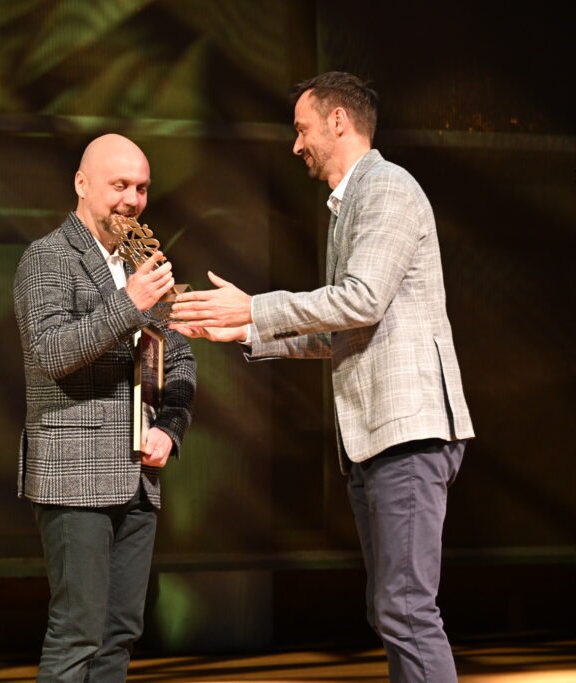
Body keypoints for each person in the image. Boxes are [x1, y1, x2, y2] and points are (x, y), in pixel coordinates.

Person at [170, 72, 474, 682]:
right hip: (378, 439)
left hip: (407, 432)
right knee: (391, 611)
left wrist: (254, 307)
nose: (296, 145)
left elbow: (360, 299)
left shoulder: (386, 187)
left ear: (338, 121)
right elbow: (343, 327)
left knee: (405, 610)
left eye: (301, 129)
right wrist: (244, 329)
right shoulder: (349, 206)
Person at [13, 134, 196, 682]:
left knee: (120, 632)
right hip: (75, 476)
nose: (132, 199)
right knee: (78, 633)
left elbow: (179, 357)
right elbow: (51, 353)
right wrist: (129, 303)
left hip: (139, 475)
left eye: (141, 187)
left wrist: (170, 426)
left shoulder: (142, 261)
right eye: (120, 185)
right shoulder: (47, 257)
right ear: (82, 183)